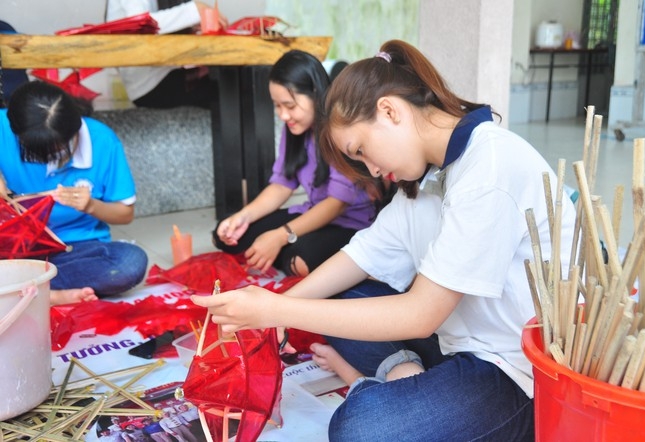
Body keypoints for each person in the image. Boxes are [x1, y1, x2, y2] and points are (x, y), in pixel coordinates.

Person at [192, 39, 578, 441]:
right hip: (455, 341)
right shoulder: (426, 176)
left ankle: (387, 383)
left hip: (517, 372)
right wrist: (285, 305)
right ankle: (403, 372)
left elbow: (420, 314)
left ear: (390, 111)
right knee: (336, 295)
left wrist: (277, 311)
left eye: (361, 151)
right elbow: (360, 255)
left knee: (360, 428)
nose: (372, 169)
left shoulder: (489, 166)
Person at [212, 49, 378, 277]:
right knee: (226, 234)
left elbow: (336, 204)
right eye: (277, 105)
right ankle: (278, 250)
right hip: (310, 213)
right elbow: (281, 185)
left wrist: (280, 236)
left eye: (289, 106)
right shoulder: (294, 131)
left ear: (315, 94)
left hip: (348, 223)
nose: (283, 115)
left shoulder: (337, 131)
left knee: (300, 262)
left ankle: (283, 251)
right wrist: (243, 216)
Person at [0, 81, 148, 305]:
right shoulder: (5, 127)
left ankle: (22, 289)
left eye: (59, 148)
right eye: (38, 152)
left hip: (72, 251)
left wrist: (91, 206)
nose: (53, 158)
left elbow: (125, 214)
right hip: (10, 248)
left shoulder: (102, 141)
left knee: (129, 262)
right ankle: (47, 294)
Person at [105, 0, 228, 109]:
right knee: (227, 92)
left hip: (159, 75)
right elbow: (140, 22)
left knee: (229, 81)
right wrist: (194, 10)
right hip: (148, 86)